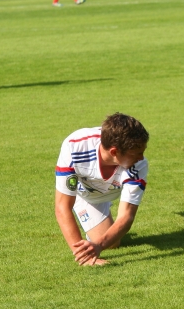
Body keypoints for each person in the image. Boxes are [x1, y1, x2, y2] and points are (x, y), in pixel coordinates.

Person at [55, 113, 149, 266]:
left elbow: (126, 216)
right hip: (85, 195)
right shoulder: (74, 148)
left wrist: (98, 245)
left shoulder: (139, 165)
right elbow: (62, 207)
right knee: (113, 244)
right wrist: (83, 255)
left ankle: (102, 226)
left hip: (109, 192)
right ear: (114, 152)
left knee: (106, 241)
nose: (141, 158)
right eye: (136, 153)